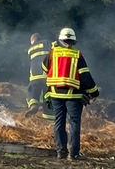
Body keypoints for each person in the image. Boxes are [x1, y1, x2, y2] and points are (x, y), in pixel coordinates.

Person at [42, 27, 99, 160]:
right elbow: (85, 76)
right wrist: (94, 92)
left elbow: (44, 68)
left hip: (56, 94)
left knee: (58, 122)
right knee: (74, 123)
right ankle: (74, 154)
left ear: (60, 40)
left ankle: (60, 152)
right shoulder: (77, 55)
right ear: (73, 42)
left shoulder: (52, 53)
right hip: (74, 96)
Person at [26, 32, 48, 115]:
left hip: (35, 76)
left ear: (33, 40)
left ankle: (34, 105)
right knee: (48, 95)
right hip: (47, 75)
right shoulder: (46, 43)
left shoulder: (30, 49)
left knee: (32, 93)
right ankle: (46, 110)